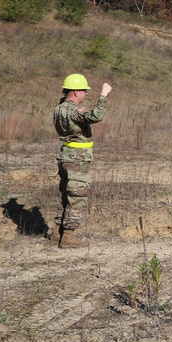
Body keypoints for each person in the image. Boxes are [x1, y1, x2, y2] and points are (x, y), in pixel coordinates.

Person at [53, 73, 112, 248]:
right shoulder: (72, 111)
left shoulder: (60, 108)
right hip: (77, 159)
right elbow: (95, 117)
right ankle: (68, 238)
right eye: (85, 91)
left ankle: (58, 233)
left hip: (66, 155)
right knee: (77, 197)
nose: (87, 94)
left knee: (67, 196)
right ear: (76, 92)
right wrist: (103, 96)